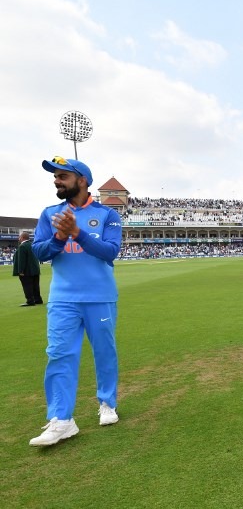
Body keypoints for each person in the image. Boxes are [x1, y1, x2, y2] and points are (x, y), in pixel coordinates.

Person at [29, 156, 122, 447]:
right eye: (55, 176)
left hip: (100, 296)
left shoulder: (107, 214)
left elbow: (110, 252)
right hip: (63, 299)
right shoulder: (50, 214)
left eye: (62, 176)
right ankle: (62, 419)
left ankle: (107, 403)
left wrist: (77, 233)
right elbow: (39, 252)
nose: (56, 181)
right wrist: (59, 237)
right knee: (59, 354)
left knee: (104, 352)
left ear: (81, 180)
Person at [12, 231, 44, 306]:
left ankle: (30, 301)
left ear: (22, 238)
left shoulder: (22, 246)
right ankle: (38, 299)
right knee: (35, 286)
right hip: (35, 269)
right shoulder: (33, 245)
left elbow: (21, 260)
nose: (18, 238)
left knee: (27, 286)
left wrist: (21, 271)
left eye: (19, 237)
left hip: (27, 271)